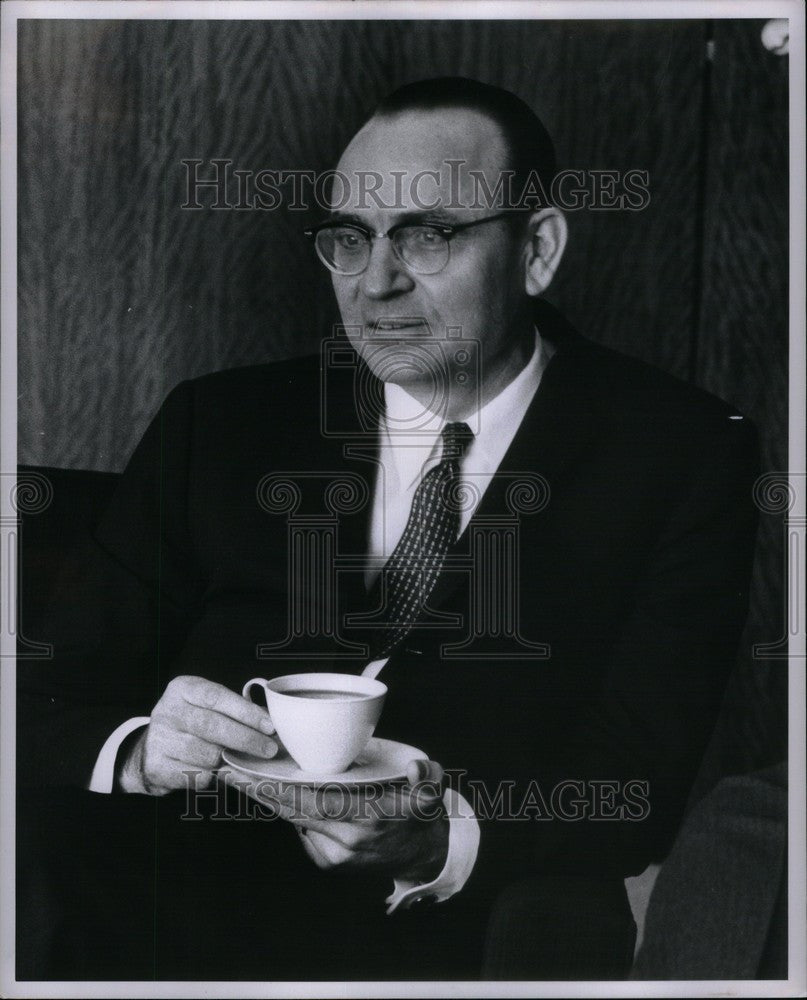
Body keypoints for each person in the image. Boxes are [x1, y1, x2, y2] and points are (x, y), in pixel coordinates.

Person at [17, 77, 759, 981]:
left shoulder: (679, 452)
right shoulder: (222, 423)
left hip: (453, 934)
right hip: (161, 908)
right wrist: (139, 750)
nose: (376, 282)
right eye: (350, 238)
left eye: (428, 234)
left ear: (537, 250)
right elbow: (43, 704)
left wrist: (432, 844)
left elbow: (638, 780)